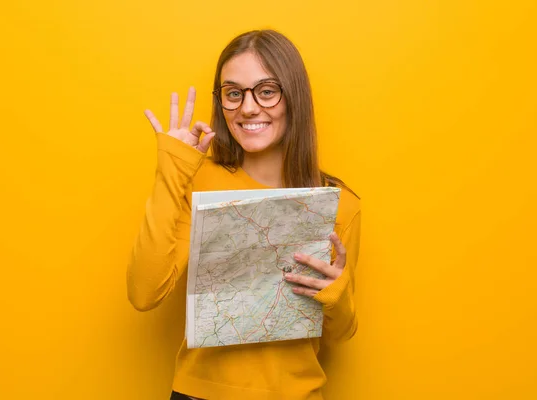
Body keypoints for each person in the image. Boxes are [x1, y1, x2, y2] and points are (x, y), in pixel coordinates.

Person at [127, 29, 362, 400]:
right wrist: (172, 168)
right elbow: (144, 293)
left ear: (293, 97)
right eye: (233, 93)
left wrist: (337, 292)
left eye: (266, 91)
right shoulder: (199, 178)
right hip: (197, 394)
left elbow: (340, 332)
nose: (248, 108)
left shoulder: (340, 203)